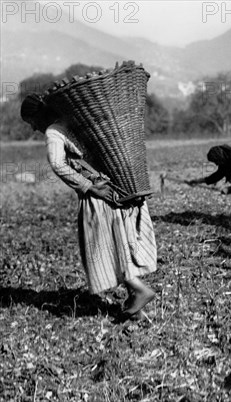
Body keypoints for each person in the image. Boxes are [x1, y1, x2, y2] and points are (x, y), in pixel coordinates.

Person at [20, 94, 157, 318]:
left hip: (98, 194)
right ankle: (135, 305)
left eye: (31, 122)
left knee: (104, 246)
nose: (34, 128)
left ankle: (140, 289)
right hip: (114, 189)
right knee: (119, 241)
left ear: (37, 116)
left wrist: (87, 187)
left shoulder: (54, 131)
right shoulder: (76, 120)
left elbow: (57, 164)